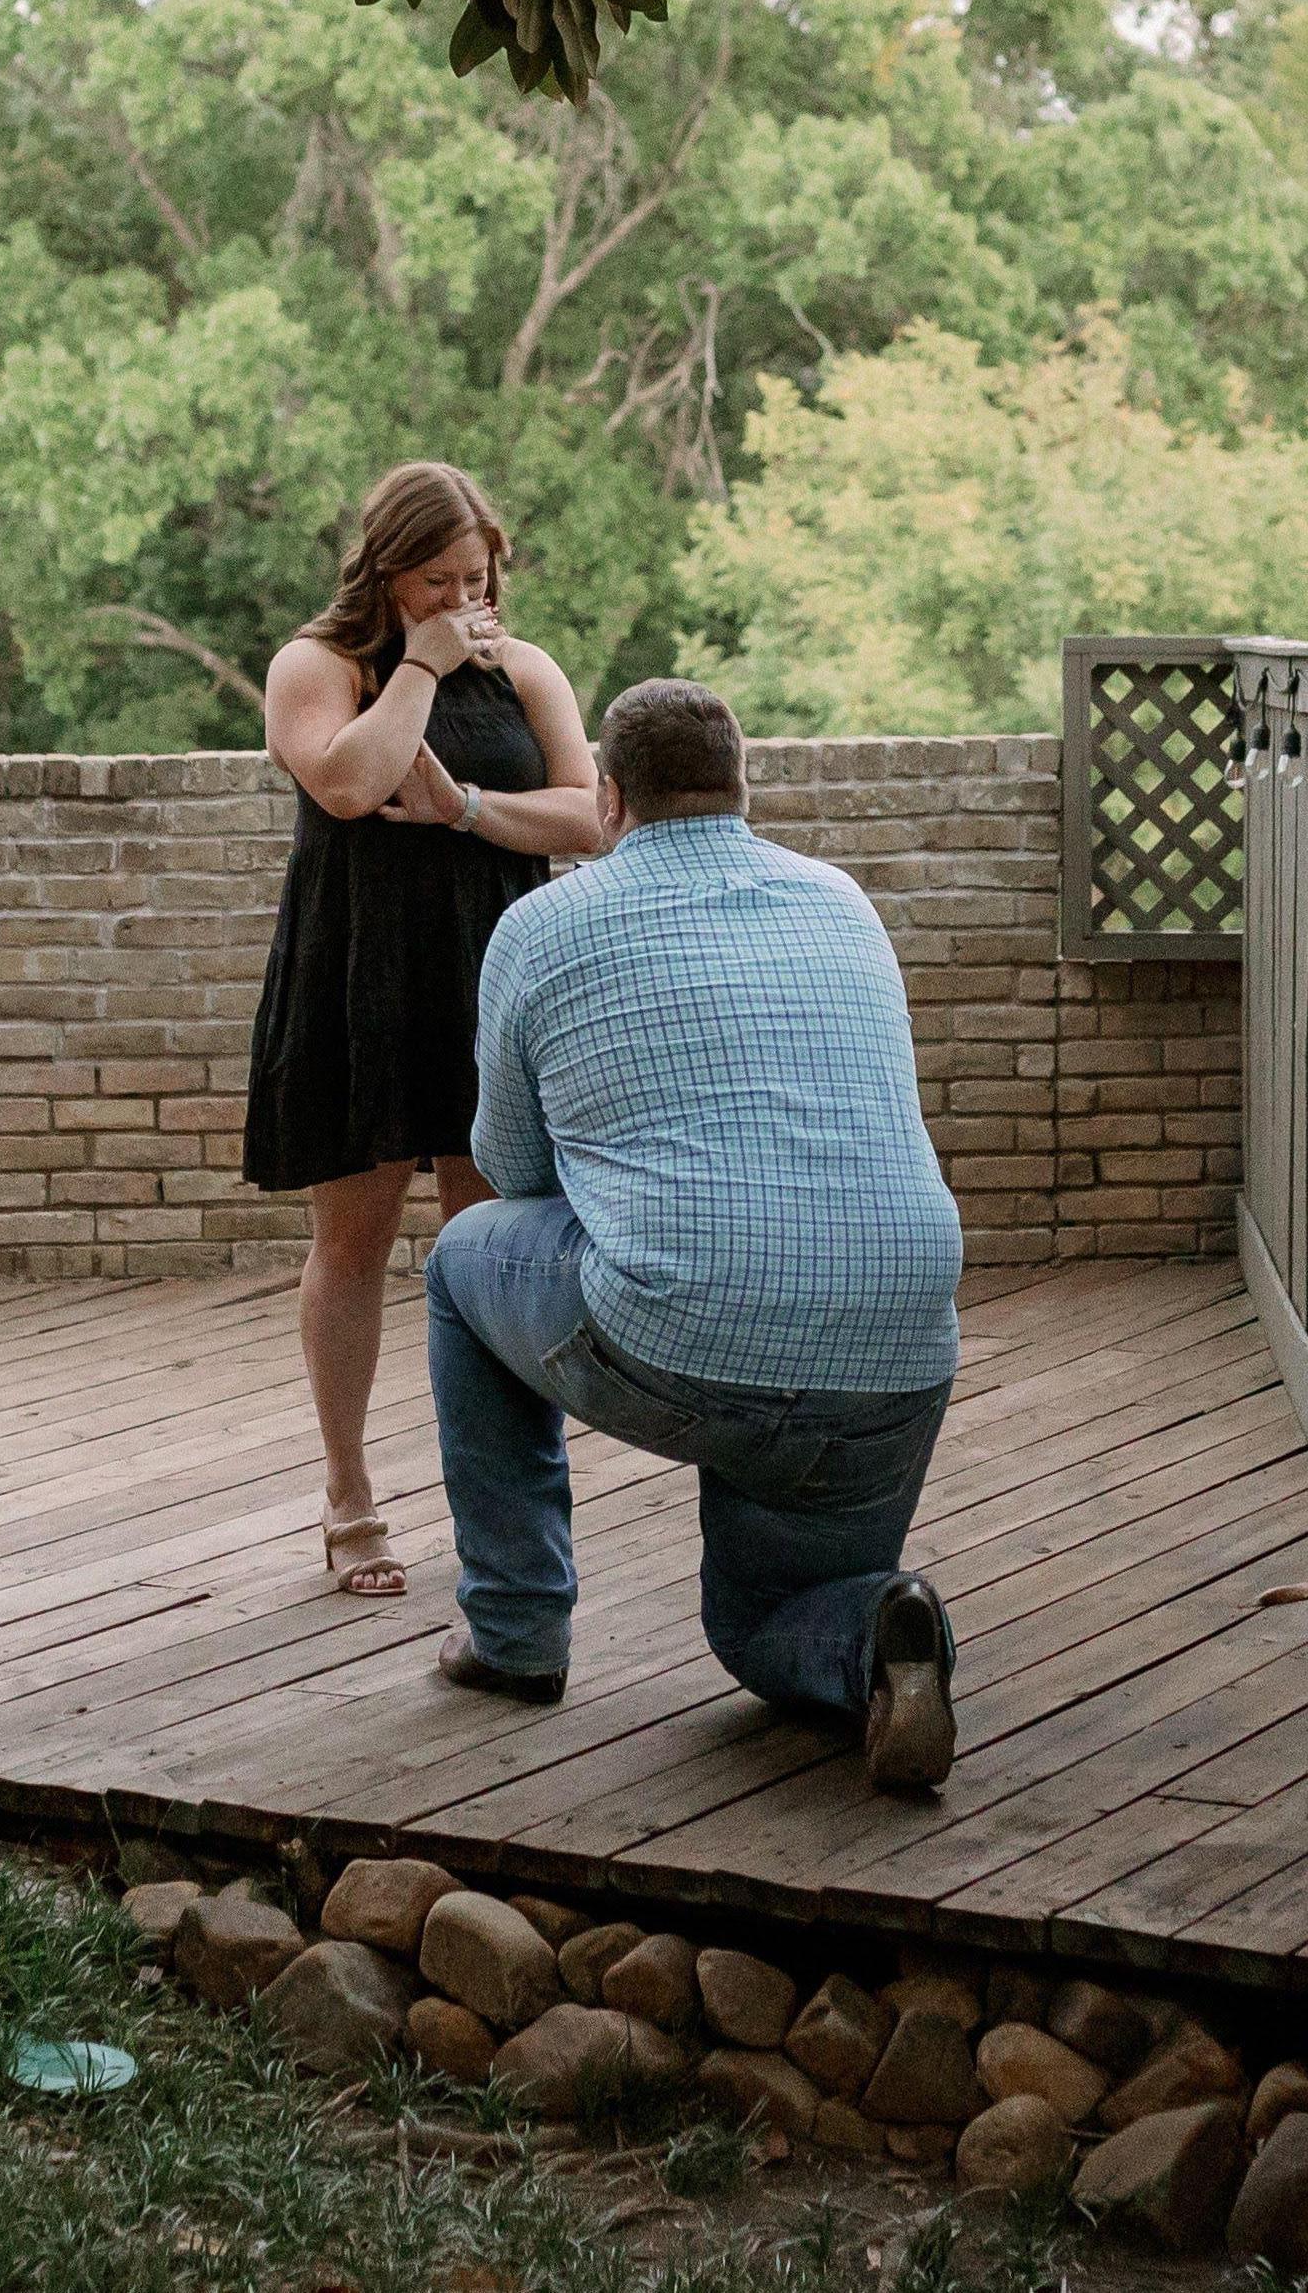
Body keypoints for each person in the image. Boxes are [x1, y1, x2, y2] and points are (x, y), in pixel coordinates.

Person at [422, 678, 966, 1793]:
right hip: (895, 1348)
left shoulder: (542, 923)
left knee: (461, 1261)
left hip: (679, 1339)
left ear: (608, 797)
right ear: (740, 784)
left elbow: (514, 1176)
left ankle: (516, 1631)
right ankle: (883, 1633)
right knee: (766, 1620)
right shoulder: (840, 900)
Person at [247, 461, 605, 1601]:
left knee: (489, 1247)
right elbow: (349, 783)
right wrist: (419, 669)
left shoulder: (528, 670)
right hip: (357, 970)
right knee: (351, 1243)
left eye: (477, 575)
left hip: (493, 970)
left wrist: (464, 810)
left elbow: (588, 818)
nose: (462, 598)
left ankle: (494, 1504)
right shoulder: (318, 664)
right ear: (386, 570)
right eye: (437, 579)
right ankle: (348, 1496)